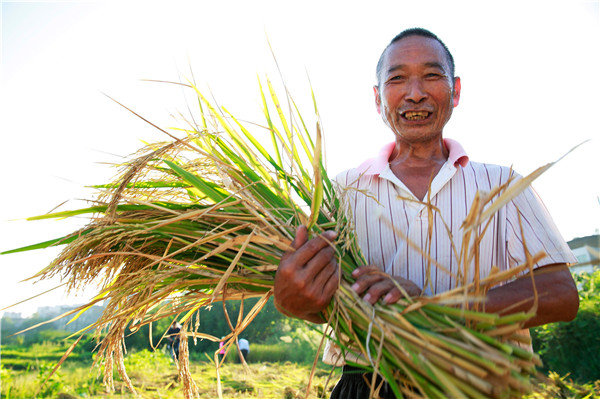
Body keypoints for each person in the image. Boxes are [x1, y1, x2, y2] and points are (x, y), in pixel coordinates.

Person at [273, 27, 579, 398]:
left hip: (476, 382)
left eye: (432, 76)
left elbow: (561, 294)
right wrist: (292, 302)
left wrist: (435, 308)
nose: (415, 93)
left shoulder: (504, 185)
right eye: (397, 78)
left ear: (456, 90)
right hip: (366, 384)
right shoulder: (340, 192)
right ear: (377, 97)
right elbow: (324, 300)